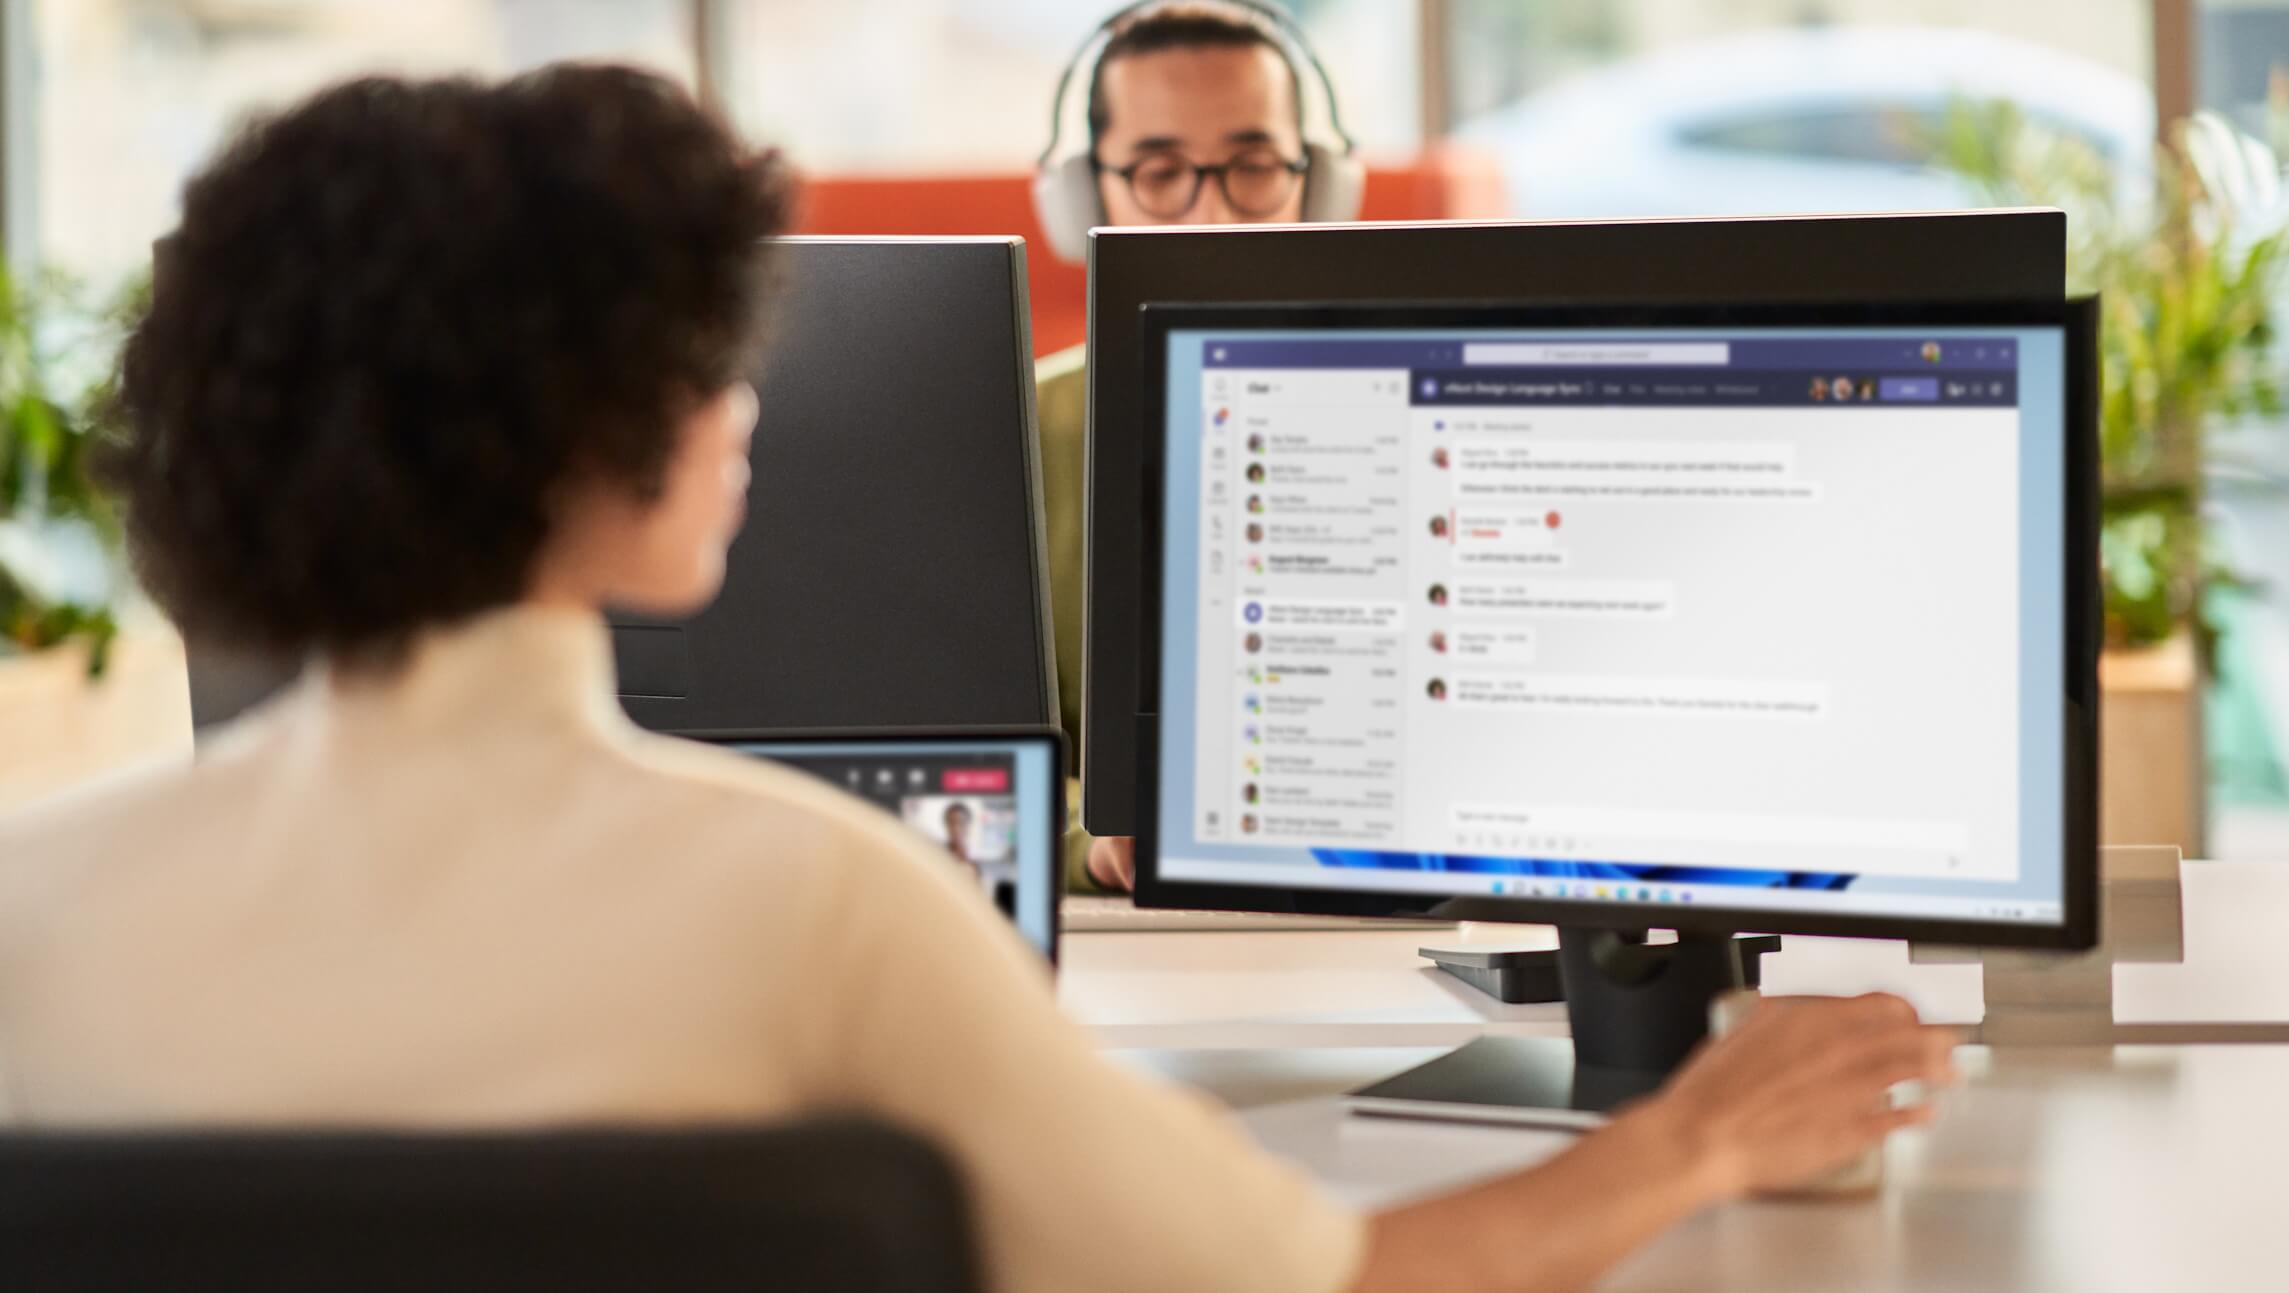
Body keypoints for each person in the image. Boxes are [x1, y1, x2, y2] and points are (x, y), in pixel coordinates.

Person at [0, 69, 1960, 1293]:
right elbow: (1335, 1278)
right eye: (704, 351)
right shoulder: (818, 905)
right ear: (606, 432)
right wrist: (1703, 1132)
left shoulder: (31, 910)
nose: (744, 397)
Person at [1033, 2, 1350, 893]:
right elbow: (960, 751)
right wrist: (1087, 840)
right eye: (1160, 170)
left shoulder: (1421, 407)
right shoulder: (1016, 430)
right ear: (1085, 195)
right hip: (1132, 929)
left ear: (1318, 184)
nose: (1211, 212)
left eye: (1253, 165)